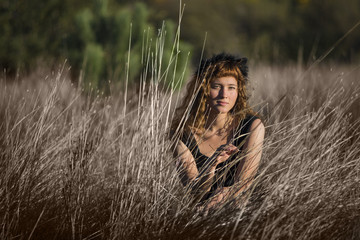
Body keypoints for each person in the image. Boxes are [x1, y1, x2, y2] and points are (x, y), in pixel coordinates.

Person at [170, 53, 265, 210]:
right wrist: (211, 165)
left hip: (243, 211)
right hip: (202, 213)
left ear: (239, 92)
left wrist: (222, 196)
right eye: (216, 87)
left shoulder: (252, 126)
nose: (224, 95)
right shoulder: (182, 134)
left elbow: (243, 184)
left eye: (231, 88)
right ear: (204, 89)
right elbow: (195, 193)